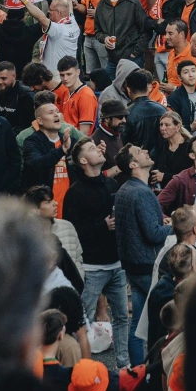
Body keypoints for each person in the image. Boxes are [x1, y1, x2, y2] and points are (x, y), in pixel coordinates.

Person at [63, 137, 128, 367]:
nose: (99, 149)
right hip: (92, 267)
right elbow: (73, 229)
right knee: (83, 320)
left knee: (122, 318)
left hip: (116, 264)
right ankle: (83, 368)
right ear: (82, 160)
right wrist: (102, 226)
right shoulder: (75, 193)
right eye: (92, 149)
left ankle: (124, 366)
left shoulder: (112, 184)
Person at [113, 143, 172, 365]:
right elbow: (154, 234)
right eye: (140, 152)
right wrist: (174, 224)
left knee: (137, 325)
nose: (146, 151)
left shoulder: (125, 189)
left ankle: (137, 372)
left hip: (132, 266)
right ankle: (158, 371)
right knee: (165, 321)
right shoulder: (141, 192)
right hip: (148, 267)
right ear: (133, 164)